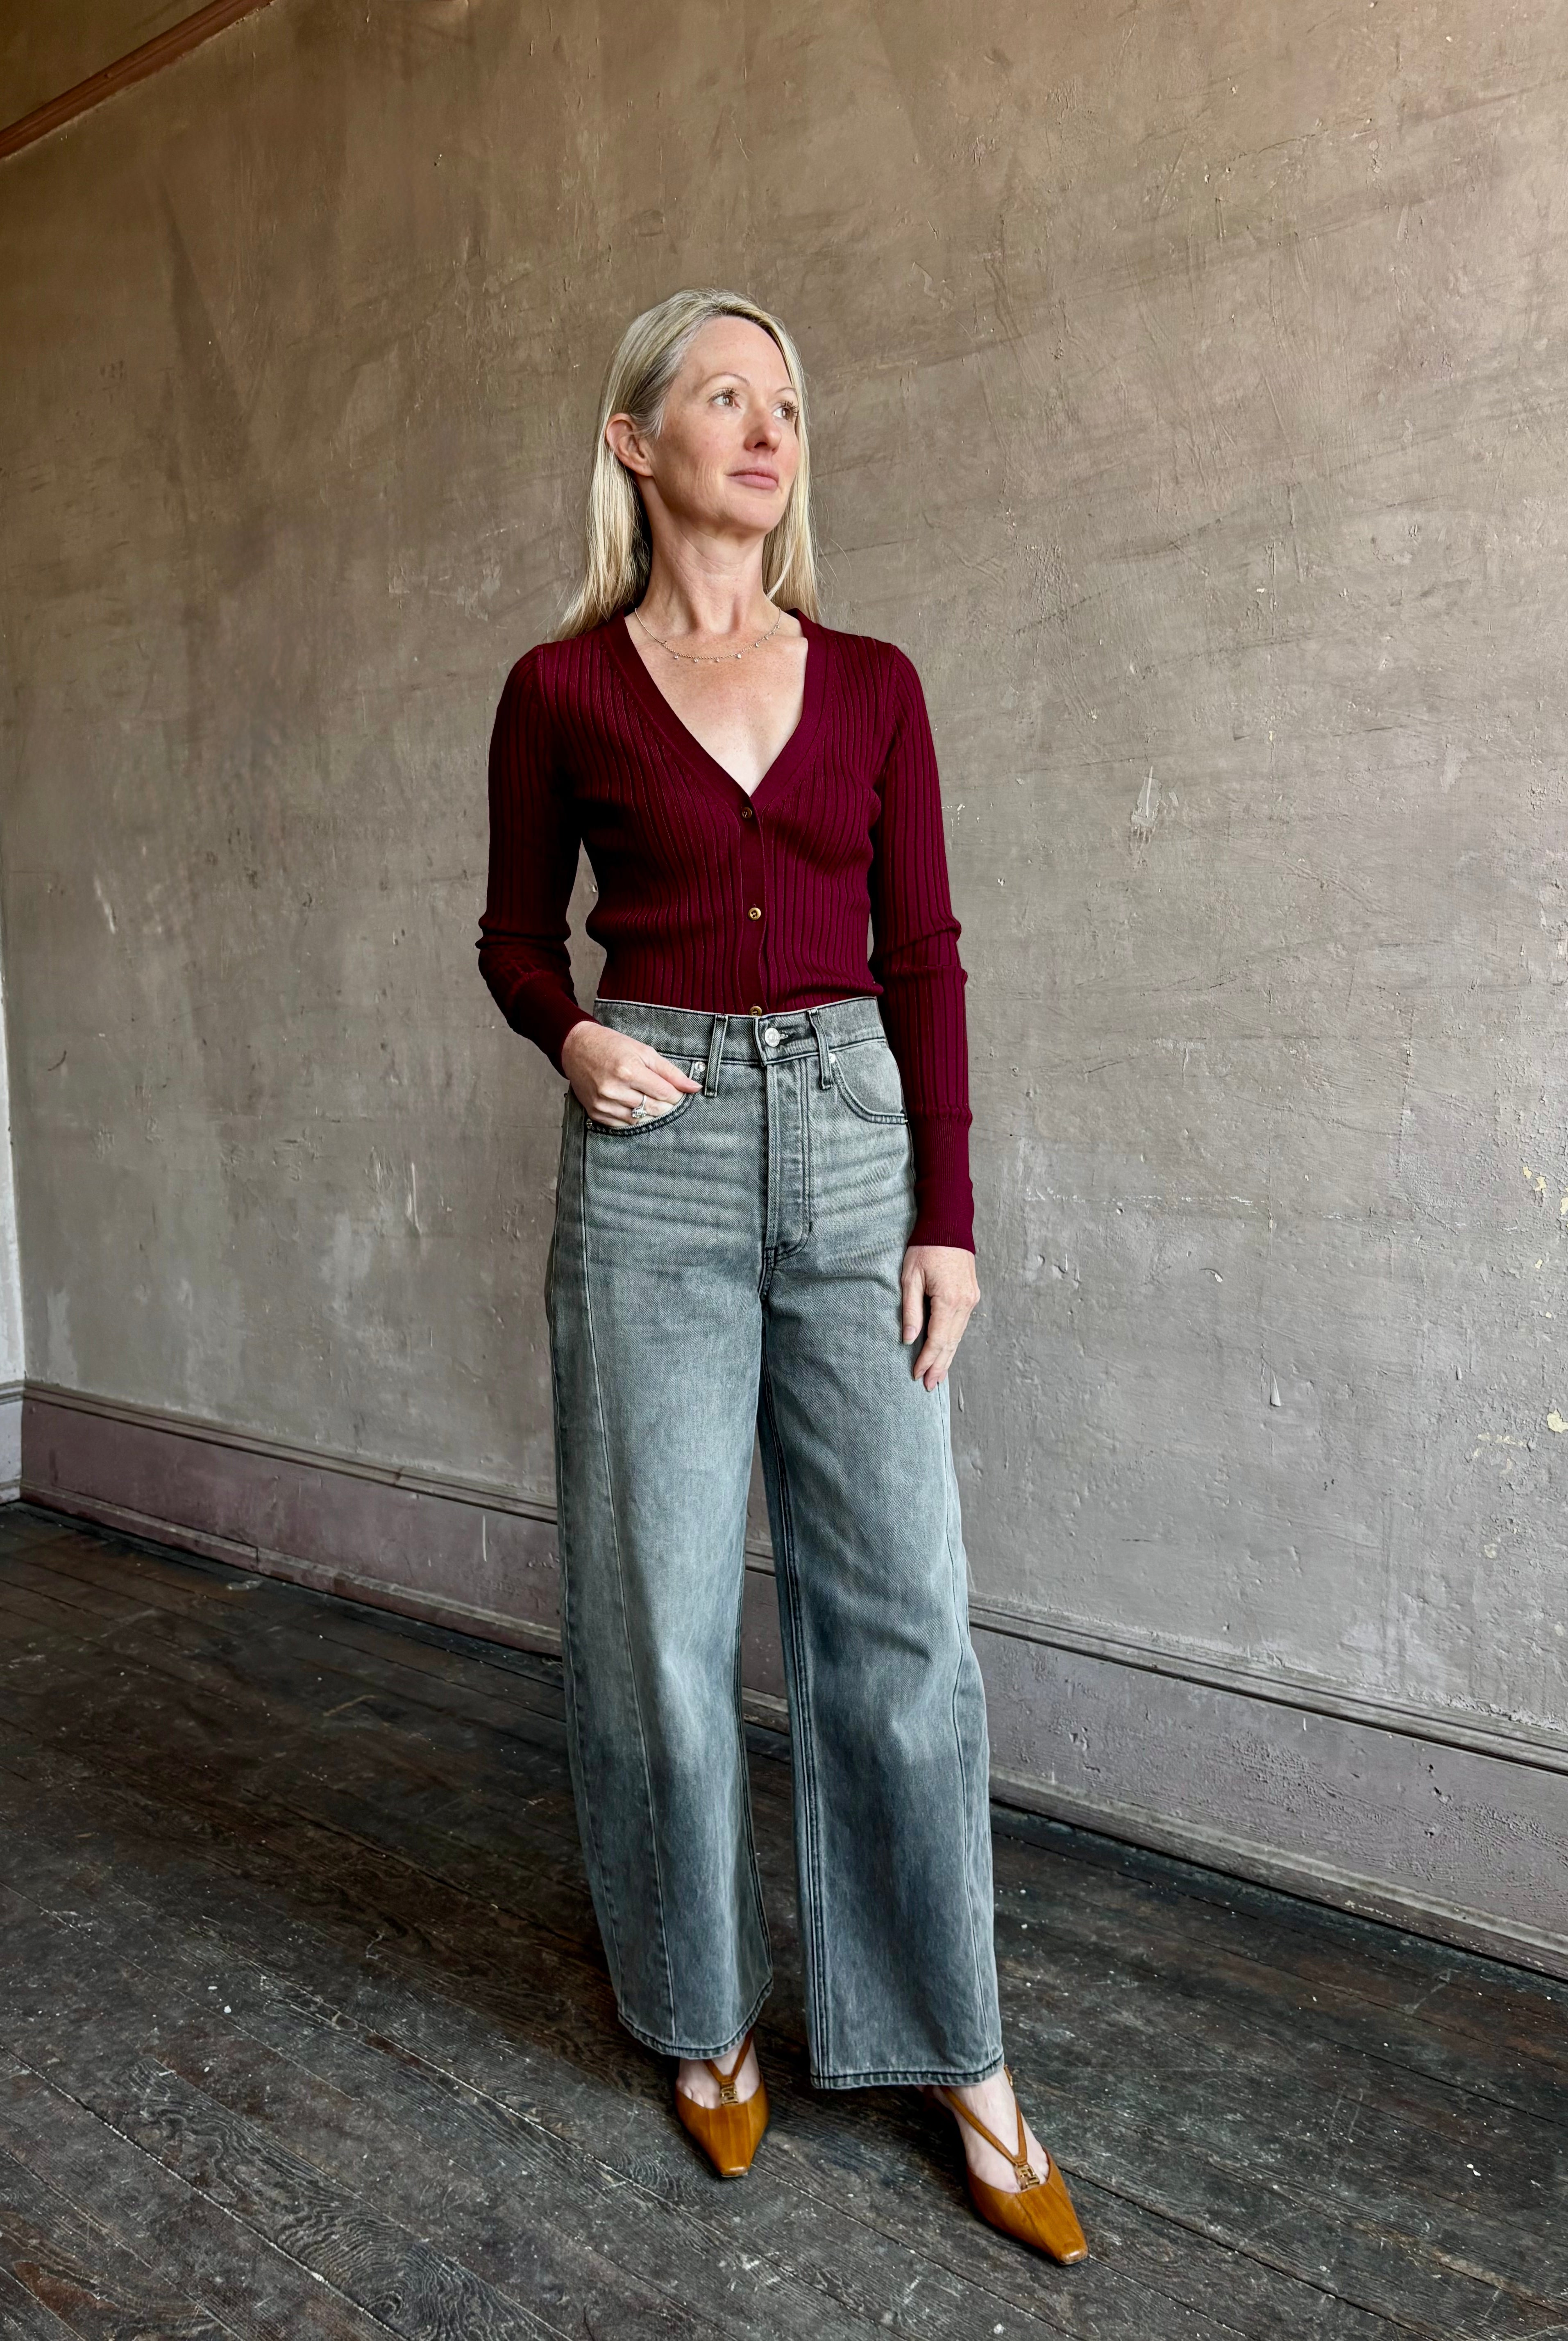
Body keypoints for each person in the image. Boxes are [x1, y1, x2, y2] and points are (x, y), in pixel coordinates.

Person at [477, 287, 1087, 2266]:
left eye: (789, 400)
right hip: (650, 1160)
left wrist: (950, 1215)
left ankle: (953, 2049)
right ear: (634, 444)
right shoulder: (561, 693)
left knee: (902, 1621)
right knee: (653, 1619)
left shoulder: (881, 682)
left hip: (850, 1146)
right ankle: (698, 2013)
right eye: (721, 395)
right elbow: (511, 936)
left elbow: (926, 954)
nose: (766, 425)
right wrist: (570, 1038)